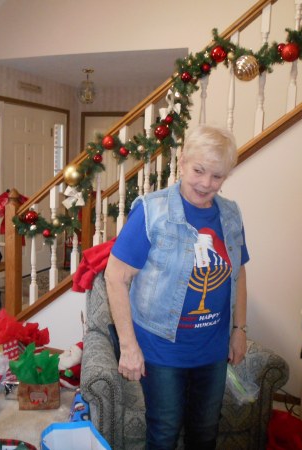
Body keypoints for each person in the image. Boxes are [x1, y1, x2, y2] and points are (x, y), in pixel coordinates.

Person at [105, 124, 250, 450]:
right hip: (162, 350)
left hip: (212, 349)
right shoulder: (151, 211)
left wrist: (239, 329)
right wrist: (128, 346)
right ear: (182, 162)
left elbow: (238, 273)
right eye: (199, 170)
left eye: (217, 176)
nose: (206, 183)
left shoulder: (230, 214)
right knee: (164, 434)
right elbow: (115, 277)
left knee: (206, 433)